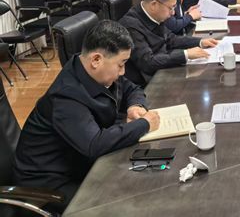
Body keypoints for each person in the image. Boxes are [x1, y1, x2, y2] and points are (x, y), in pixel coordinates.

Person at [13, 20, 162, 212]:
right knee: (126, 204)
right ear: (96, 60)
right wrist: (144, 124)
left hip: (79, 163)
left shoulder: (92, 70)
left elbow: (132, 88)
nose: (123, 71)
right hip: (48, 185)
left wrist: (135, 105)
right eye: (121, 64)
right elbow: (94, 145)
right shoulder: (65, 96)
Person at [120, 0, 218, 86]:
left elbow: (171, 39)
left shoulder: (156, 15)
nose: (172, 13)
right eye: (170, 8)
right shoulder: (130, 26)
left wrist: (200, 42)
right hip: (147, 83)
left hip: (162, 69)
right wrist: (185, 54)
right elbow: (147, 62)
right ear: (154, 5)